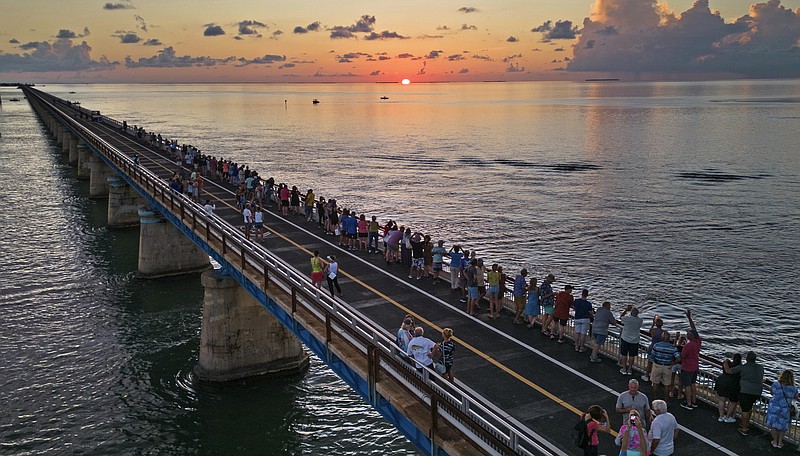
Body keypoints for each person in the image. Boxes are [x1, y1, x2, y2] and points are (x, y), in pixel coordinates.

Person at [725, 350, 764, 436]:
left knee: (745, 410)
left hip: (745, 391)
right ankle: (746, 423)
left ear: (746, 359)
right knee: (749, 408)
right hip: (757, 391)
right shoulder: (761, 367)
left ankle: (744, 428)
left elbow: (728, 371)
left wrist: (726, 363)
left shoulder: (743, 367)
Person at [765, 369, 798, 448]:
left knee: (774, 425)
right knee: (782, 425)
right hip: (785, 409)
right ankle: (780, 442)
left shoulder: (776, 384)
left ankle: (775, 441)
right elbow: (796, 397)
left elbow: (772, 392)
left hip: (774, 407)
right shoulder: (794, 388)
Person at [677, 309, 701, 410]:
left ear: (690, 336)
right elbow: (694, 329)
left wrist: (673, 361)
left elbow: (681, 357)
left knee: (687, 385)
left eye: (688, 333)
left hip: (687, 367)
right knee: (693, 384)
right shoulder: (698, 341)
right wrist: (689, 318)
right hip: (695, 366)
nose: (686, 334)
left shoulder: (688, 345)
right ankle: (694, 401)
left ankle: (689, 403)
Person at [649, 331, 679, 400]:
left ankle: (655, 399)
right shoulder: (673, 348)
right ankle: (666, 400)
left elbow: (652, 356)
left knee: (655, 383)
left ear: (662, 338)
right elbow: (678, 358)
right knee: (666, 385)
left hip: (657, 365)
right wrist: (673, 363)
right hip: (667, 367)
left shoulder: (656, 345)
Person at [714, 353, 741, 423]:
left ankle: (721, 416)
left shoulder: (727, 363)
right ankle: (728, 417)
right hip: (733, 384)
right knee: (733, 402)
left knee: (722, 400)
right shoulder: (740, 367)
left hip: (722, 381)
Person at [618, 306, 644, 376]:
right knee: (632, 355)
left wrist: (626, 310)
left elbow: (621, 317)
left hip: (625, 338)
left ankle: (624, 368)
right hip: (635, 340)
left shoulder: (627, 319)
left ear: (631, 313)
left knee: (624, 354)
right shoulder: (640, 320)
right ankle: (629, 369)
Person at [642, 316, 665, 383]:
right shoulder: (663, 332)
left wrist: (653, 323)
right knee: (657, 364)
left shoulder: (653, 330)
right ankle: (656, 378)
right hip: (660, 349)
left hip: (652, 347)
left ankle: (646, 375)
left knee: (650, 362)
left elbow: (650, 331)